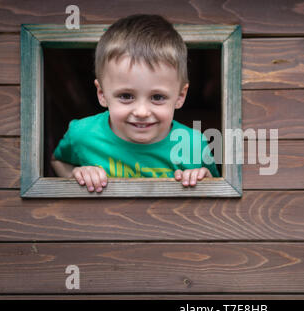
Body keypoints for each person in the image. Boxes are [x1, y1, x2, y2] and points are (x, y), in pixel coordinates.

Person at [51, 14, 220, 193]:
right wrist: (75, 175)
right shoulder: (82, 134)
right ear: (102, 94)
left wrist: (203, 181)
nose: (141, 111)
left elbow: (219, 193)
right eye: (126, 96)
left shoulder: (192, 144)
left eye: (157, 97)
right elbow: (57, 161)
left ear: (180, 96)